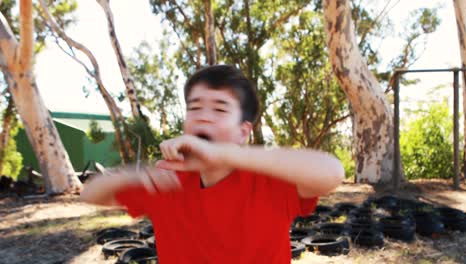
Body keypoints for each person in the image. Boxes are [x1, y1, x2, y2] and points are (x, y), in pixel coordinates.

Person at [80, 65, 344, 263]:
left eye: (219, 109)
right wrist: (132, 176)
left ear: (244, 131)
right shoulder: (169, 180)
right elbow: (91, 194)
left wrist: (223, 154)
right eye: (194, 108)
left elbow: (332, 172)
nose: (204, 117)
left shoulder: (269, 181)